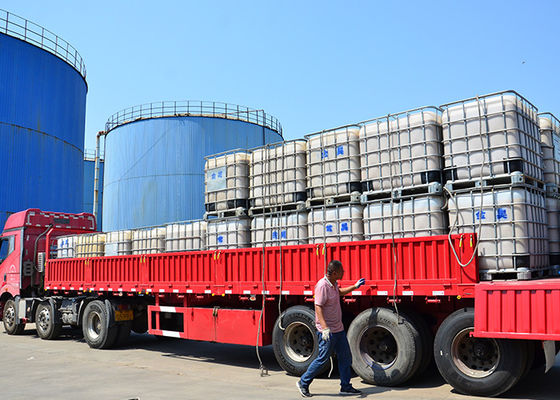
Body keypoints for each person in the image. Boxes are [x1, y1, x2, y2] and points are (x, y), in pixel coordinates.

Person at [296, 260, 365, 397]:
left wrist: (355, 286)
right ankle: (303, 382)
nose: (343, 272)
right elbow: (318, 307)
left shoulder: (334, 283)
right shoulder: (322, 286)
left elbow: (339, 293)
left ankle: (345, 387)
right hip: (327, 331)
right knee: (322, 360)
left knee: (345, 357)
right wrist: (325, 328)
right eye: (341, 271)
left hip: (338, 329)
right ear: (334, 273)